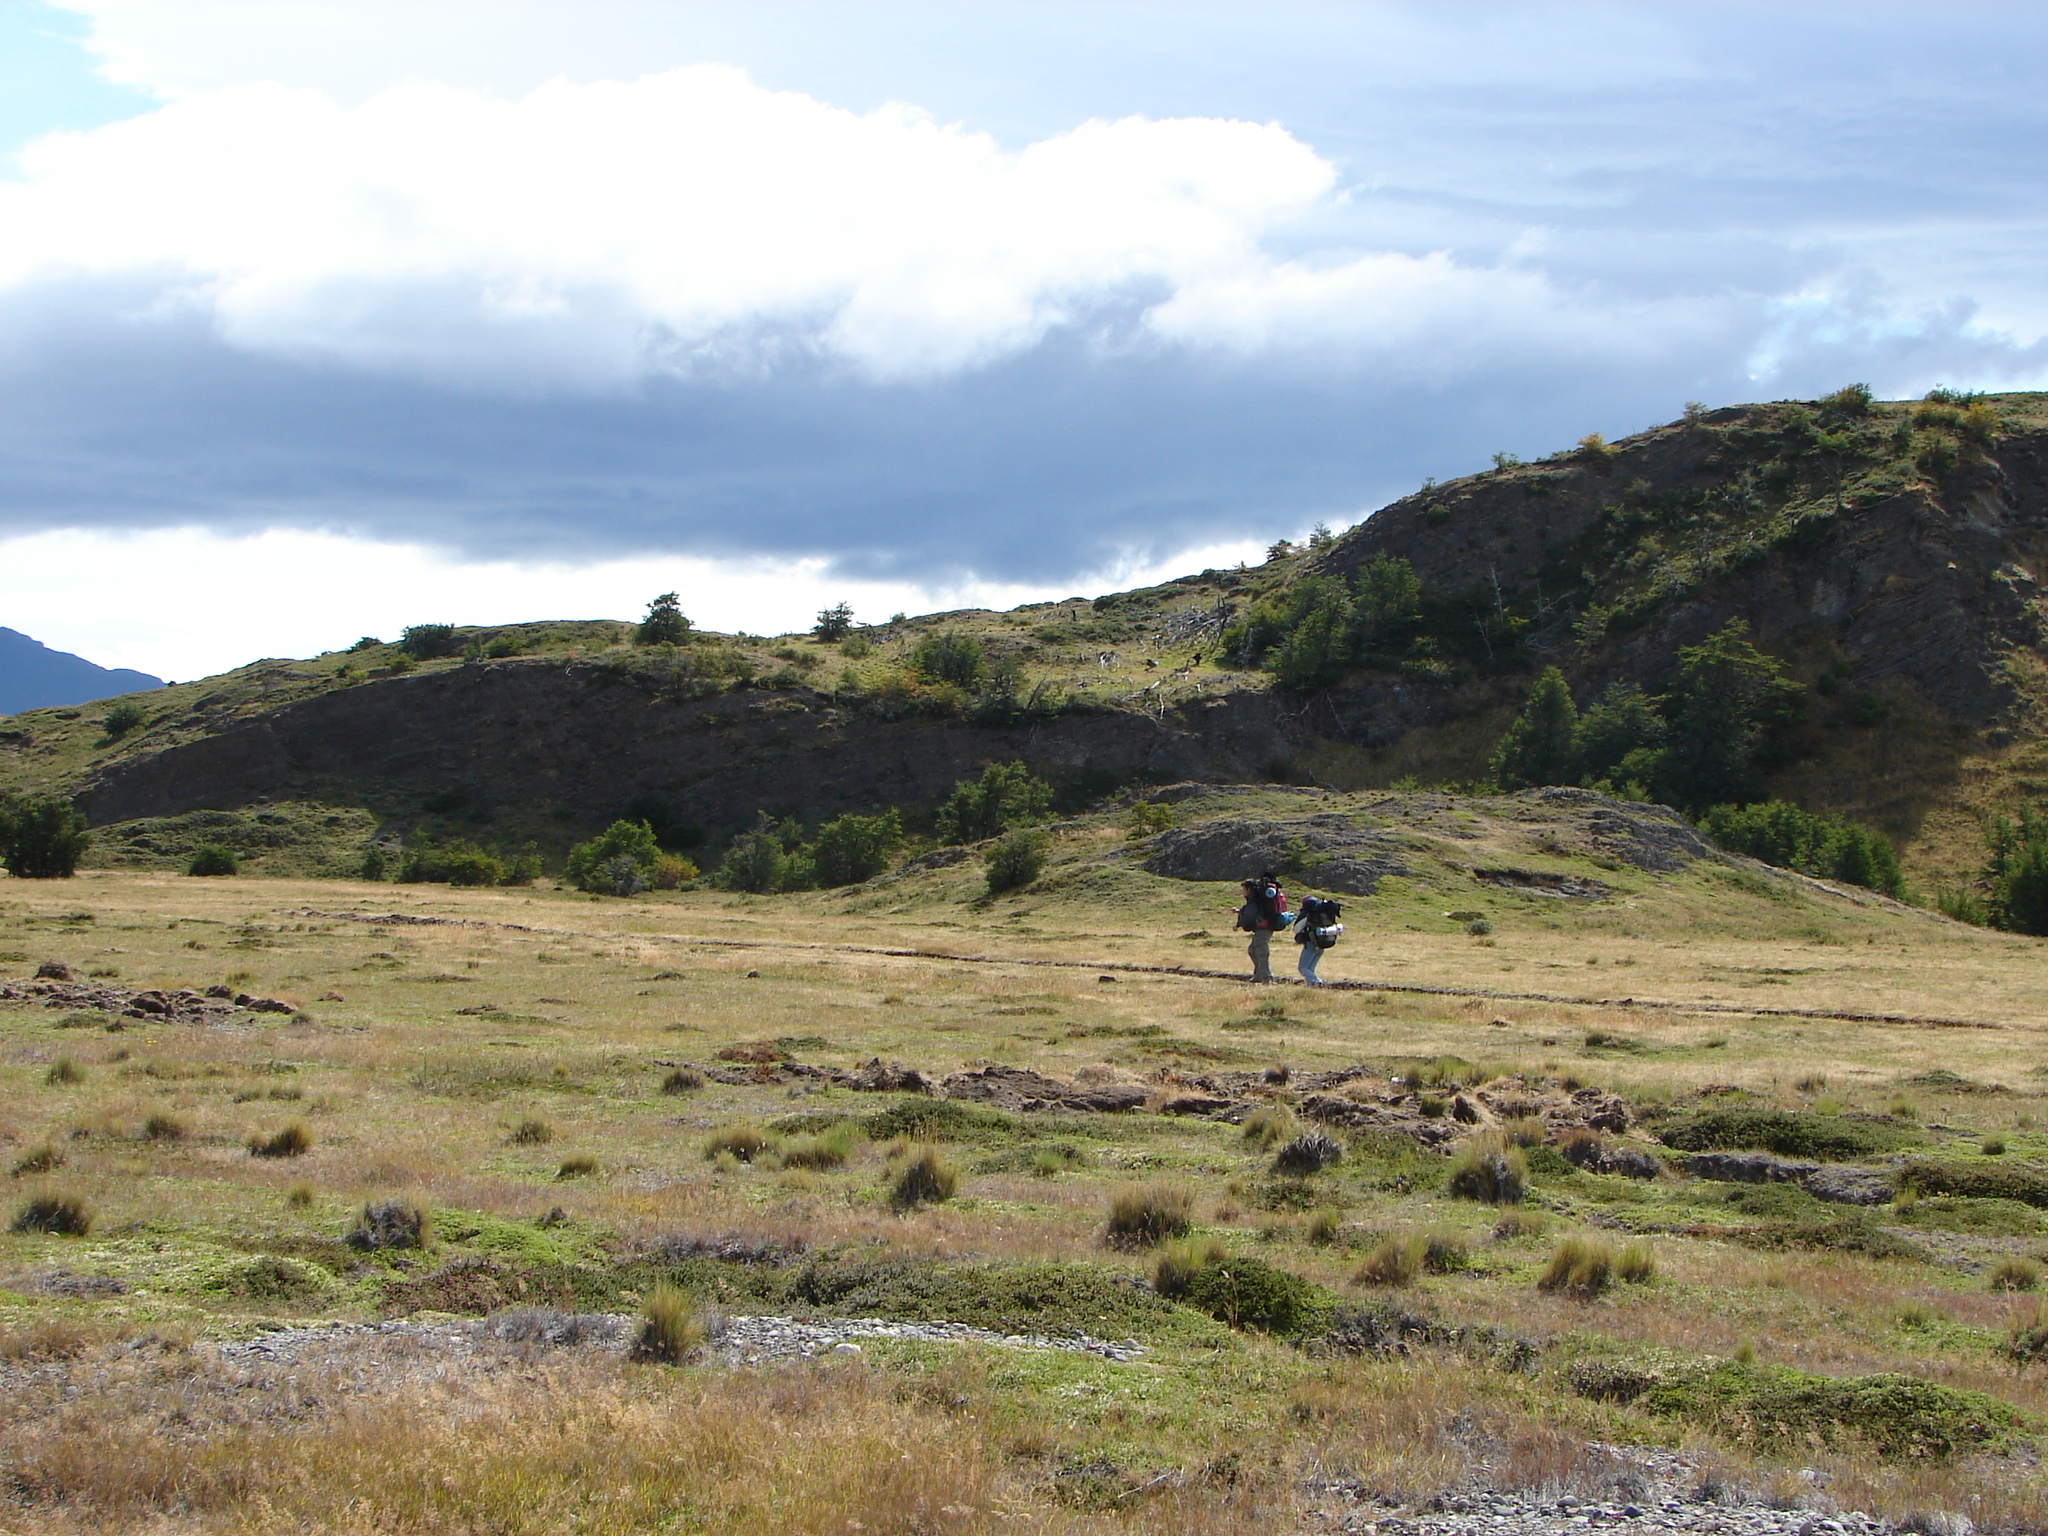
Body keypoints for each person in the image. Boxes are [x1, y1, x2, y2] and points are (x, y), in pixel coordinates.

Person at [1231, 871, 1288, 983]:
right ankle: (1258, 976)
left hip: (1263, 928)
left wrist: (1238, 924)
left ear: (1248, 889)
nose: (1242, 892)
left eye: (1243, 889)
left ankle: (1267, 978)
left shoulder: (1254, 899)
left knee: (1261, 953)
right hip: (1264, 927)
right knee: (1252, 950)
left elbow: (1251, 914)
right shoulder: (1257, 898)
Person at [1292, 893, 1344, 985]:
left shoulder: (1308, 913)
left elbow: (1296, 928)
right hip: (1323, 942)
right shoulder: (1324, 912)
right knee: (1310, 968)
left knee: (1303, 968)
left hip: (1311, 943)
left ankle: (1318, 982)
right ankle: (1311, 985)